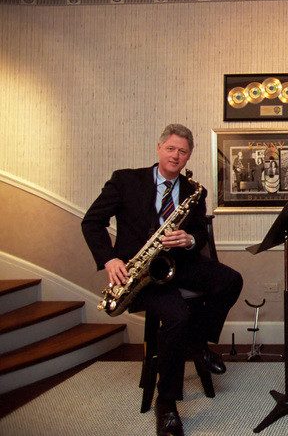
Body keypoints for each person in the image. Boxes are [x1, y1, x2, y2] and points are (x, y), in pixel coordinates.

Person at [82, 124, 243, 436]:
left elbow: (198, 232)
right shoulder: (125, 180)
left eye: (183, 152)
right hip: (141, 273)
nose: (176, 155)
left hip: (178, 263)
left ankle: (198, 343)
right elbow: (92, 221)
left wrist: (189, 240)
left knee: (231, 281)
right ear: (159, 149)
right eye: (171, 148)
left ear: (188, 157)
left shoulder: (194, 191)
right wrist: (110, 258)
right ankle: (166, 403)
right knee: (178, 316)